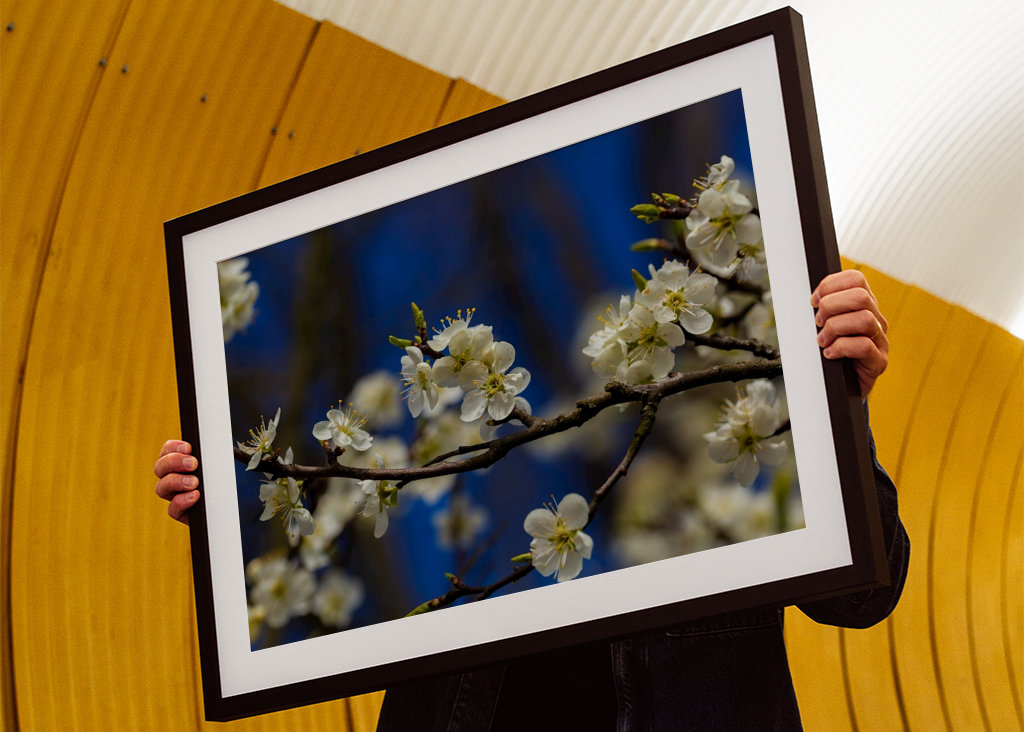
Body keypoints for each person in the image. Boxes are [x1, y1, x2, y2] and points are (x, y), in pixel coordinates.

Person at [155, 270, 908, 730]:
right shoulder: (458, 503)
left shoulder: (722, 462)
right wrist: (232, 507)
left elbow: (866, 594)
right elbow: (337, 562)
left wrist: (835, 405)